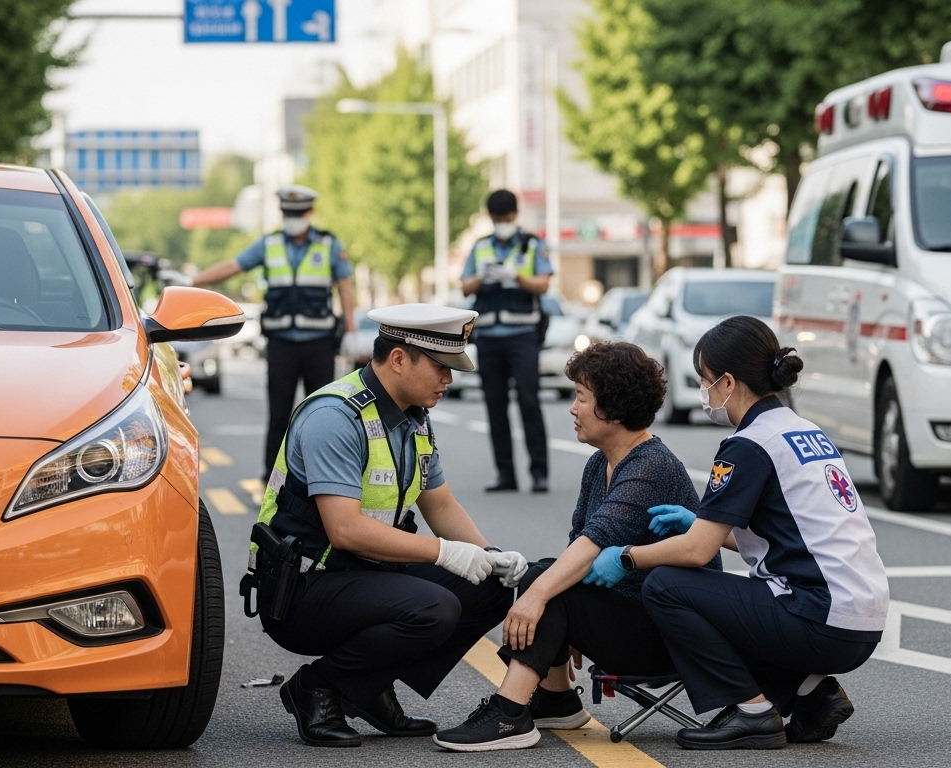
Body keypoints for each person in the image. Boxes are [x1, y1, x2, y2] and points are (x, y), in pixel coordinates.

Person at [250, 303, 529, 748]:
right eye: (440, 366)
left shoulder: (413, 416)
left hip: (367, 572)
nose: (449, 379)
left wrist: (490, 555)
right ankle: (316, 688)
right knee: (434, 607)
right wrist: (445, 553)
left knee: (490, 588)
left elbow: (440, 504)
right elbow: (345, 530)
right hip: (305, 587)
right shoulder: (335, 416)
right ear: (398, 359)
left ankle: (366, 686)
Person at [607, 315, 889, 750]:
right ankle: (811, 691)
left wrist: (625, 556)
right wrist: (700, 523)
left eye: (704, 380)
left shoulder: (748, 445)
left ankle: (753, 712)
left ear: (727, 383)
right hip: (862, 621)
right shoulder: (805, 431)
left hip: (820, 619)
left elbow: (696, 553)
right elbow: (786, 537)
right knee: (736, 596)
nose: (704, 391)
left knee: (665, 586)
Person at [433, 341, 715, 752]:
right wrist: (562, 619)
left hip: (671, 637)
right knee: (542, 572)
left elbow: (593, 542)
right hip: (635, 620)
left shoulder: (650, 467)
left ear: (613, 409)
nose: (572, 408)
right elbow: (575, 548)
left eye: (581, 397)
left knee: (548, 587)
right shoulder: (600, 463)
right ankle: (557, 700)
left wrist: (535, 600)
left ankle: (508, 715)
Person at [187, 185, 358, 475]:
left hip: (319, 346)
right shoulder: (269, 244)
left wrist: (351, 332)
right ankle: (273, 478)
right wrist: (194, 281)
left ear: (309, 213)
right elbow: (233, 266)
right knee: (279, 416)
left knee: (323, 415)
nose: (293, 219)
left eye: (298, 214)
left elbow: (345, 287)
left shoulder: (328, 245)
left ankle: (321, 476)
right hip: (281, 346)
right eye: (288, 214)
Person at [460, 189, 553, 493]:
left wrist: (515, 276)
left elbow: (543, 284)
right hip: (488, 338)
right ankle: (505, 474)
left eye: (506, 217)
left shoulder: (533, 244)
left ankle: (539, 473)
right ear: (491, 217)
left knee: (529, 401)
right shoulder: (481, 247)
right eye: (497, 218)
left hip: (522, 336)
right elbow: (465, 286)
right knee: (495, 406)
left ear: (516, 214)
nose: (502, 221)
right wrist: (483, 278)